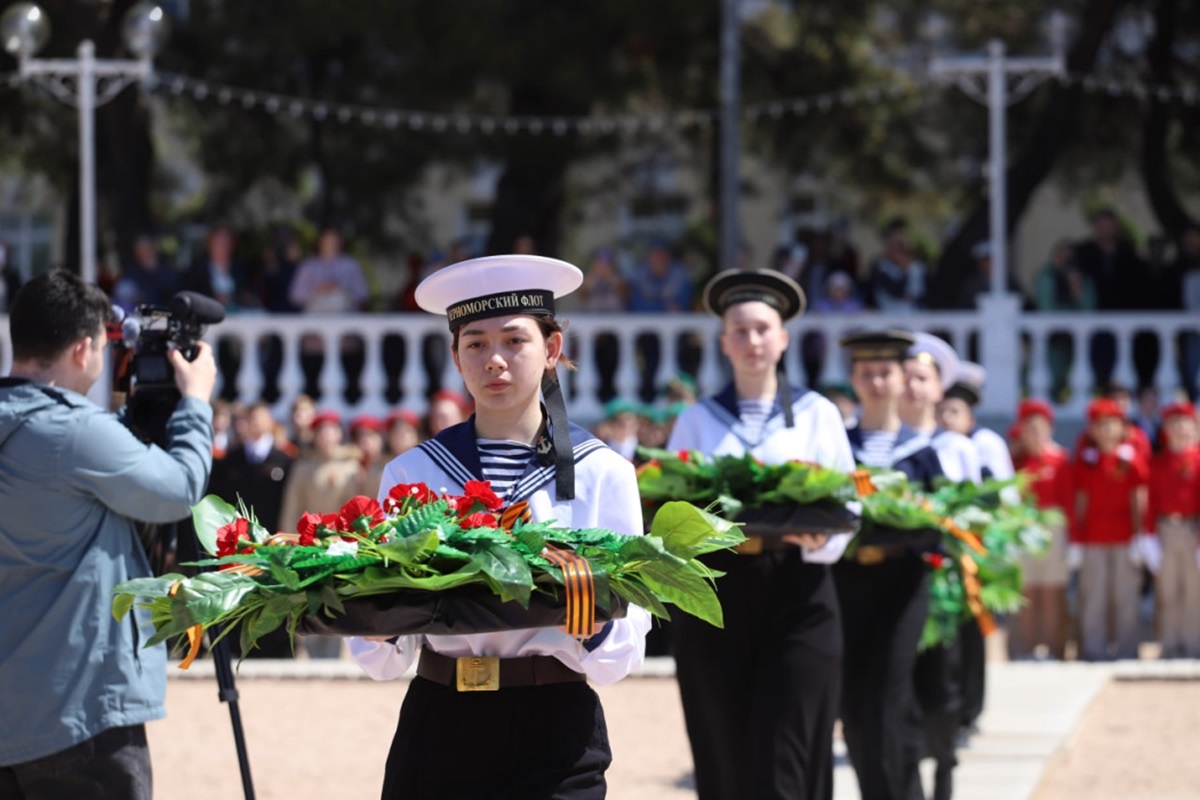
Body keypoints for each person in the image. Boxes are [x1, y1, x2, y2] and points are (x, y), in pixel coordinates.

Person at [348, 254, 651, 799]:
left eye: (515, 340)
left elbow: (621, 656)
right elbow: (383, 660)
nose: (495, 360)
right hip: (439, 723)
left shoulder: (603, 471)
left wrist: (592, 619)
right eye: (476, 343)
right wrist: (370, 613)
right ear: (455, 357)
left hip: (556, 731)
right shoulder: (412, 473)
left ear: (552, 350)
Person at [0, 270, 216, 798]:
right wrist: (196, 403)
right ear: (81, 349)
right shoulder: (73, 431)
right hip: (79, 713)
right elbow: (179, 489)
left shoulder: (40, 426)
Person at [666, 270, 855, 800]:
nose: (753, 341)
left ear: (784, 338)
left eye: (763, 329)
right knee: (725, 755)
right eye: (740, 331)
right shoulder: (698, 421)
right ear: (724, 342)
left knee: (788, 758)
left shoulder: (818, 414)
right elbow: (672, 510)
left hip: (801, 594)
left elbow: (848, 506)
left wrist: (823, 539)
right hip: (718, 597)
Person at [833, 329, 946, 800]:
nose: (877, 381)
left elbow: (940, 527)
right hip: (846, 583)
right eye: (867, 373)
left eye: (886, 372)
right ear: (854, 380)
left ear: (902, 380)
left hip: (902, 587)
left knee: (888, 700)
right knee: (854, 707)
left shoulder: (921, 453)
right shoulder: (839, 447)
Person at [900, 332, 981, 800]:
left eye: (923, 379)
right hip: (894, 582)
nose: (913, 387)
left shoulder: (958, 449)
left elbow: (975, 518)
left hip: (946, 584)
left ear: (938, 388)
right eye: (907, 377)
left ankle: (944, 775)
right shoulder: (885, 443)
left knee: (942, 688)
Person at [1070, 398, 1149, 661]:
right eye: (1099, 424)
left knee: (1126, 598)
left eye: (1111, 424)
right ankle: (1094, 650)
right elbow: (1079, 500)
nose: (1105, 430)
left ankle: (1127, 650)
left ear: (1121, 427)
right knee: (1093, 598)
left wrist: (1141, 537)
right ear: (1092, 430)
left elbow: (1139, 497)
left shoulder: (1130, 458)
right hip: (1093, 538)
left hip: (1125, 537)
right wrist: (1077, 539)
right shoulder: (1085, 459)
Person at [1009, 400, 1072, 661]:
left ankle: (1053, 649)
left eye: (1039, 428)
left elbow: (1068, 500)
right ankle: (1025, 648)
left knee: (1050, 591)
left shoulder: (1059, 460)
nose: (1033, 434)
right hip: (1022, 528)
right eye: (1028, 428)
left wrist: (1071, 539)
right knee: (1026, 592)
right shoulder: (1016, 460)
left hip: (1052, 530)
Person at [1143, 401, 1200, 658]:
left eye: (1184, 422)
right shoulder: (1157, 462)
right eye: (1173, 422)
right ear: (1165, 427)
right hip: (1165, 529)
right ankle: (1169, 644)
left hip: (1192, 530)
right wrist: (1149, 538)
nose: (1179, 428)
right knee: (1168, 591)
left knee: (1193, 590)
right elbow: (1150, 501)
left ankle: (1193, 644)